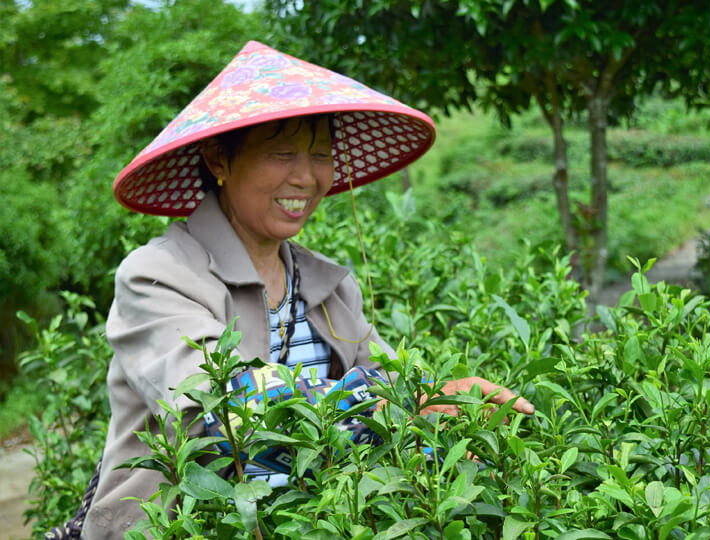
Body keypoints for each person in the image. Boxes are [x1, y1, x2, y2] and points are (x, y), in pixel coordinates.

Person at [80, 41, 533, 539]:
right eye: (281, 154)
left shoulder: (326, 284)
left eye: (320, 155)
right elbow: (223, 408)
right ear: (218, 160)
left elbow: (391, 384)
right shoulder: (158, 275)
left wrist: (447, 421)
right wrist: (401, 401)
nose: (306, 177)